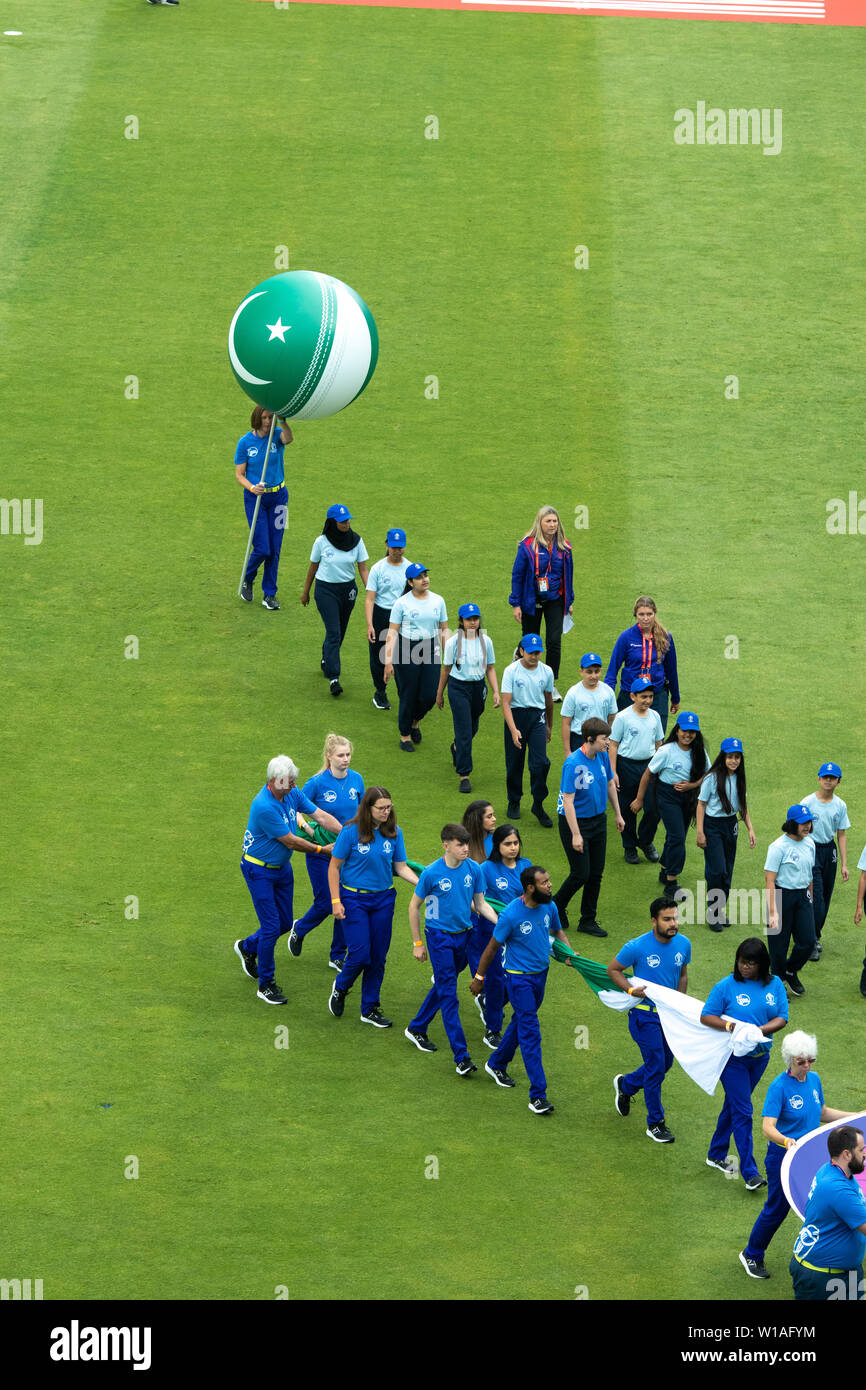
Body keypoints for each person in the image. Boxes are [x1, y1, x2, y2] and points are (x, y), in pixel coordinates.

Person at [740, 1030, 857, 1279]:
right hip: (783, 1157)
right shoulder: (778, 1087)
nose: (806, 1065)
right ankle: (751, 1254)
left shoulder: (814, 1079)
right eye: (800, 1061)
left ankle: (819, 1249)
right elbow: (767, 1127)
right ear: (789, 1060)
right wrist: (786, 1140)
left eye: (810, 1060)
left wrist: (855, 1116)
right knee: (777, 1208)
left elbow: (822, 1112)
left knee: (815, 1203)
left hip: (812, 1155)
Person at [234, 755, 342, 1005]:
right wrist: (321, 849)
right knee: (272, 926)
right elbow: (291, 841)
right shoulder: (264, 806)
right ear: (273, 781)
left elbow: (320, 815)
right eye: (288, 782)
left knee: (283, 923)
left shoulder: (291, 792)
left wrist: (348, 833)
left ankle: (248, 947)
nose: (294, 786)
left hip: (281, 869)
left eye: (294, 781)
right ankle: (266, 984)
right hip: (258, 871)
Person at [471, 865, 571, 1115]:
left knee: (520, 1023)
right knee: (530, 1032)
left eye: (549, 880)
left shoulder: (550, 905)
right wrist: (479, 977)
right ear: (529, 888)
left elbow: (557, 930)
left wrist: (569, 952)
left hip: (541, 976)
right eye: (544, 882)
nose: (549, 885)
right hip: (518, 980)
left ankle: (496, 1063)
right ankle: (538, 1095)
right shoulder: (511, 915)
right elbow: (492, 947)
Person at [404, 824, 497, 1074]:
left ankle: (417, 1027)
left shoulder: (474, 869)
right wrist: (418, 944)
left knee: (444, 985)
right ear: (446, 845)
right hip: (439, 938)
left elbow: (480, 904)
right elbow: (414, 907)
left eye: (467, 843)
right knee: (449, 995)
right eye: (460, 844)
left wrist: (501, 924)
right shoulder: (432, 874)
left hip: (465, 937)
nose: (466, 848)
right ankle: (461, 1057)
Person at [700, 937, 788, 1189]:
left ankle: (716, 1153)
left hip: (760, 1058)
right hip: (733, 1060)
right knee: (743, 1111)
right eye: (741, 962)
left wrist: (757, 1030)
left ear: (762, 964)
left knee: (733, 1106)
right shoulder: (725, 986)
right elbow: (706, 1015)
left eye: (750, 963)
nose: (745, 967)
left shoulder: (775, 986)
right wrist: (733, 1027)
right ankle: (750, 1172)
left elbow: (782, 1018)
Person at [326, 787, 418, 1027]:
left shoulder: (394, 833)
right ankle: (341, 986)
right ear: (368, 808)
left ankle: (370, 1008)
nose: (387, 812)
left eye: (389, 807)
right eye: (381, 808)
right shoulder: (350, 832)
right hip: (353, 899)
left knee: (378, 957)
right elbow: (334, 868)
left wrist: (422, 886)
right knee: (360, 953)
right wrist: (336, 901)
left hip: (383, 900)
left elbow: (401, 867)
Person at [608, 898, 691, 1144]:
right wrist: (631, 991)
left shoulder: (684, 944)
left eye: (675, 918)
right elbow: (612, 970)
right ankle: (655, 1123)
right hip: (644, 1015)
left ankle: (627, 1085)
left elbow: (683, 975)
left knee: (665, 1064)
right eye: (667, 919)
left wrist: (680, 1002)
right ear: (654, 920)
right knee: (656, 1065)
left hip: (669, 1015)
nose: (673, 923)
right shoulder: (636, 947)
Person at [287, 734, 365, 968]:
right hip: (321, 850)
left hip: (347, 850)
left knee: (346, 900)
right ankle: (299, 929)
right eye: (341, 755)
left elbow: (361, 812)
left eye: (348, 754)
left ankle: (337, 955)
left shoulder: (357, 780)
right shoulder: (316, 783)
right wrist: (309, 831)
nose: (346, 759)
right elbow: (296, 809)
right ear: (329, 756)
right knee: (325, 902)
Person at [553, 717, 625, 940]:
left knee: (596, 873)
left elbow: (610, 783)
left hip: (598, 821)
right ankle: (556, 906)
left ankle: (587, 920)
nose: (608, 742)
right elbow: (568, 801)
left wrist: (618, 814)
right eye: (604, 739)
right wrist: (576, 834)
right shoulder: (573, 763)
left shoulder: (602, 755)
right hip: (576, 823)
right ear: (590, 739)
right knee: (581, 873)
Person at [631, 711, 710, 900]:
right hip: (667, 796)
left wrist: (693, 785)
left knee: (676, 836)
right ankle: (671, 883)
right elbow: (648, 774)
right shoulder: (666, 751)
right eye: (684, 730)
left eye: (692, 732)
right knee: (677, 837)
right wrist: (640, 799)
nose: (688, 735)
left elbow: (708, 773)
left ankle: (665, 868)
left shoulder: (699, 751)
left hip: (688, 797)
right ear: (678, 730)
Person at [300, 504, 369, 697]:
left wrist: (371, 591)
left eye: (348, 520)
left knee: (340, 631)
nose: (346, 524)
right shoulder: (321, 542)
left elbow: (363, 568)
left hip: (347, 591)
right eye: (342, 521)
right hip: (325, 591)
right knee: (333, 631)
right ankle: (334, 678)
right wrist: (306, 592)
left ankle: (326, 658)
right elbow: (312, 568)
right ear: (332, 522)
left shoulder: (356, 541)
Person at [790, 1125, 866, 1301]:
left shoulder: (832, 1170)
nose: (864, 1154)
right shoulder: (837, 1189)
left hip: (845, 1272)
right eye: (861, 1150)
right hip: (822, 1278)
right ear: (847, 1154)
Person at [471, 824, 530, 1049]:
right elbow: (478, 901)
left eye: (515, 843)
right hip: (493, 931)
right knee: (496, 979)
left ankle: (488, 1002)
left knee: (516, 977)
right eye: (507, 844)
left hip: (520, 934)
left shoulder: (526, 866)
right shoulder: (486, 868)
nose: (513, 848)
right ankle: (492, 1030)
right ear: (497, 845)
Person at [508, 506, 574, 701]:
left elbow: (568, 576)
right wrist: (516, 604)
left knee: (554, 641)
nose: (552, 525)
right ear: (540, 523)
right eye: (548, 521)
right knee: (531, 639)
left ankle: (550, 684)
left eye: (555, 521)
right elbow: (517, 575)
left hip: (555, 599)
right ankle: (523, 667)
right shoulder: (527, 546)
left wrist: (568, 600)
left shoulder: (564, 547)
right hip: (531, 599)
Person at [436, 603, 500, 794]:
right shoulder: (453, 642)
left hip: (478, 687)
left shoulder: (485, 641)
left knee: (473, 727)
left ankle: (457, 747)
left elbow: (490, 668)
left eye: (475, 619)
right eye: (468, 619)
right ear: (461, 621)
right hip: (458, 687)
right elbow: (446, 669)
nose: (472, 623)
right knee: (464, 730)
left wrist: (496, 691)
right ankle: (464, 774)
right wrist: (440, 693)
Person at [384, 564, 448, 753]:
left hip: (430, 647)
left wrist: (450, 657)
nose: (425, 579)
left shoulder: (438, 601)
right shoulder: (401, 603)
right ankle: (405, 734)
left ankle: (415, 721)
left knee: (430, 695)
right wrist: (388, 661)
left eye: (426, 575)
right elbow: (392, 633)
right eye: (419, 577)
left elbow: (444, 629)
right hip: (406, 648)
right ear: (410, 582)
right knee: (408, 693)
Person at [235, 406, 293, 609]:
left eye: (271, 417)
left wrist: (283, 421)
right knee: (262, 547)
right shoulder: (245, 443)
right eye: (266, 418)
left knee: (275, 549)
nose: (269, 421)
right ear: (257, 419)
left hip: (279, 498)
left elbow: (289, 439)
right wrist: (252, 487)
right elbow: (239, 474)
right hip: (256, 499)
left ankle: (269, 594)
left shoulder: (276, 435)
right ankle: (248, 578)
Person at [696, 738, 756, 932]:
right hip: (713, 826)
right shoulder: (711, 778)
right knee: (717, 871)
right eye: (730, 757)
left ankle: (719, 910)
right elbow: (701, 805)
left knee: (727, 871)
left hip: (731, 826)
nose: (733, 761)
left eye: (737, 757)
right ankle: (713, 912)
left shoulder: (740, 777)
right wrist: (700, 832)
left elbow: (742, 806)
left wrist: (750, 829)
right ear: (723, 758)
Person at [608, 676, 664, 866]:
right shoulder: (623, 717)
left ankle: (646, 841)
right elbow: (613, 745)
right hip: (626, 766)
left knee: (654, 807)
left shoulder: (655, 717)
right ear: (633, 696)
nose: (647, 701)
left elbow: (659, 744)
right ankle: (630, 846)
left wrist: (659, 769)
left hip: (648, 766)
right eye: (643, 697)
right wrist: (613, 771)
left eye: (650, 696)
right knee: (627, 807)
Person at [604, 596, 680, 734]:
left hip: (656, 696)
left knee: (656, 738)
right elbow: (612, 670)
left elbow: (671, 670)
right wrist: (607, 698)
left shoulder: (665, 637)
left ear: (655, 614)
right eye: (641, 614)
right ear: (636, 615)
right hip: (630, 696)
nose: (646, 618)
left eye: (649, 614)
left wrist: (675, 698)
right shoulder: (626, 637)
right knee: (622, 736)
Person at [500, 634, 554, 825]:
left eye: (538, 652)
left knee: (540, 763)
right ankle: (514, 800)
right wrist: (513, 729)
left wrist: (549, 725)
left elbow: (548, 700)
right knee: (514, 762)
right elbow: (506, 703)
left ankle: (538, 803)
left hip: (537, 717)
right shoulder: (511, 671)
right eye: (530, 652)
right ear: (521, 651)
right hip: (516, 716)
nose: (534, 656)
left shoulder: (546, 671)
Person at [764, 804, 817, 997]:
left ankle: (790, 970)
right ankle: (777, 984)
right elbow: (769, 879)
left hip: (802, 896)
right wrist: (772, 911)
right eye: (803, 823)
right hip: (780, 896)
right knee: (778, 947)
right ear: (791, 824)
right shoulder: (778, 847)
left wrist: (810, 897)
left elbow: (809, 873)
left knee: (808, 941)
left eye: (809, 822)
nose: (807, 826)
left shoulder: (810, 843)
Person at [800, 762, 850, 960]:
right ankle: (810, 941)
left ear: (838, 781)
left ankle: (814, 936)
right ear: (819, 779)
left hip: (830, 852)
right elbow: (798, 829)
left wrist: (844, 864)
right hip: (811, 849)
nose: (828, 781)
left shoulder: (840, 805)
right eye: (825, 777)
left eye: (832, 778)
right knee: (816, 899)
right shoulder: (808, 802)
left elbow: (842, 834)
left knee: (826, 897)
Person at [364, 528, 411, 712]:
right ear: (387, 545)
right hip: (381, 614)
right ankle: (380, 691)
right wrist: (369, 624)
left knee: (403, 655)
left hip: (402, 616)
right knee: (378, 655)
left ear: (404, 547)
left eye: (400, 547)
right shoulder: (378, 568)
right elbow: (370, 598)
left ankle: (404, 693)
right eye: (393, 547)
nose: (396, 550)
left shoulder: (410, 569)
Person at [560, 653, 618, 755]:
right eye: (589, 672)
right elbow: (566, 723)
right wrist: (567, 751)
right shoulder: (573, 693)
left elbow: (612, 718)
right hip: (579, 740)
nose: (593, 676)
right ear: (581, 671)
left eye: (597, 671)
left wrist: (608, 741)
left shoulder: (608, 691)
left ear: (601, 670)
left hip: (601, 739)